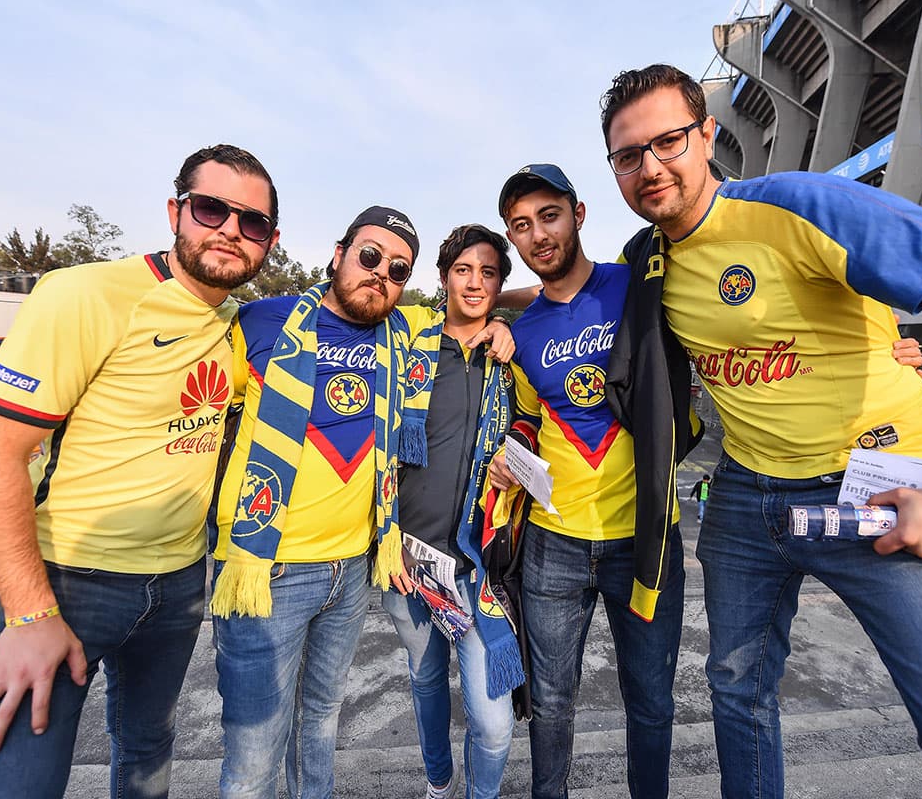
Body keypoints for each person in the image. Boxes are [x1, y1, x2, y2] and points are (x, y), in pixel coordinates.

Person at [600, 63, 922, 798]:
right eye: (627, 155)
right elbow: (574, 293)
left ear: (708, 135)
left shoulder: (800, 206)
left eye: (668, 141)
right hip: (743, 499)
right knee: (737, 693)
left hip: (876, 495)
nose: (651, 167)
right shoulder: (650, 263)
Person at [0, 144, 280, 799]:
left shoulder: (235, 325)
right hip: (68, 579)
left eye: (254, 222)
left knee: (148, 749)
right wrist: (27, 614)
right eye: (212, 209)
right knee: (11, 780)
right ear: (175, 211)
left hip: (179, 584)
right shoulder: (87, 295)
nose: (231, 231)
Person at [208, 207, 513, 799]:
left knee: (321, 722)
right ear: (338, 252)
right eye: (369, 257)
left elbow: (488, 309)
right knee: (253, 753)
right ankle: (437, 779)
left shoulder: (400, 334)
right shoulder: (264, 320)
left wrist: (506, 320)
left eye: (397, 269)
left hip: (355, 566)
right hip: (266, 567)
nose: (380, 274)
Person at [487, 164, 688, 799]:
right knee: (550, 706)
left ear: (578, 213)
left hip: (647, 538)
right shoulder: (520, 336)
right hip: (553, 545)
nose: (537, 235)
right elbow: (526, 417)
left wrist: (887, 347)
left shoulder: (638, 286)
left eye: (548, 216)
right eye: (521, 226)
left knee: (651, 703)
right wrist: (510, 450)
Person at [383, 224, 520, 799]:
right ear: (442, 278)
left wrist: (503, 319)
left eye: (488, 273)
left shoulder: (507, 357)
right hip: (406, 559)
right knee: (426, 678)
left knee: (493, 723)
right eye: (463, 270)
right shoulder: (406, 342)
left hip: (473, 567)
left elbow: (552, 293)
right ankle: (440, 781)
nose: (475, 282)